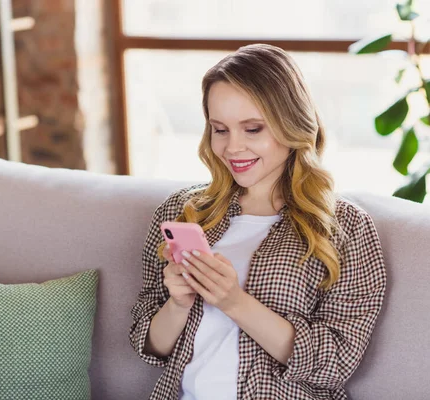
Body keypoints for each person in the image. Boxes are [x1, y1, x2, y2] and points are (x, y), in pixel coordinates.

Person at [129, 43, 387, 400]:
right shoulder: (183, 211)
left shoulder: (345, 228)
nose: (233, 148)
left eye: (252, 129)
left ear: (291, 124)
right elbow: (149, 346)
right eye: (220, 129)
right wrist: (178, 303)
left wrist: (234, 301)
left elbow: (336, 363)